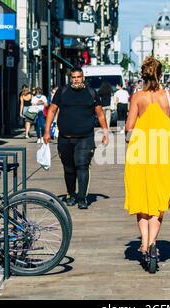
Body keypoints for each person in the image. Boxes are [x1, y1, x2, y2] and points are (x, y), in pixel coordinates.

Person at [125, 56, 170, 273]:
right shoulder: (169, 96)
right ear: (160, 74)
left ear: (143, 75)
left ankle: (145, 243)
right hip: (163, 152)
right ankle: (152, 245)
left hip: (140, 152)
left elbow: (129, 126)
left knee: (142, 198)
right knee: (158, 200)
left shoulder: (137, 97)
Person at [43, 66, 109, 209]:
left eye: (78, 77)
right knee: (69, 168)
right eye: (73, 77)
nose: (76, 80)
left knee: (82, 166)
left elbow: (100, 113)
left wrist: (105, 132)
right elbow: (52, 110)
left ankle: (82, 198)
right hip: (65, 137)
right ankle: (71, 194)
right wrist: (47, 131)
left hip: (85, 137)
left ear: (83, 77)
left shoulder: (91, 93)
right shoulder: (63, 91)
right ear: (70, 78)